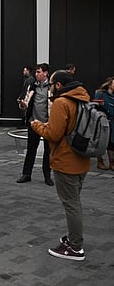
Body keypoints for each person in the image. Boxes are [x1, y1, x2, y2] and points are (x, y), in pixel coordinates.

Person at [31, 70, 90, 261]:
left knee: (71, 204)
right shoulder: (83, 99)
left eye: (51, 84)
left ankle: (75, 247)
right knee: (75, 201)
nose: (49, 88)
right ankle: (74, 237)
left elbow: (54, 134)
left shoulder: (61, 102)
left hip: (66, 161)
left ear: (58, 85)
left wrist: (37, 125)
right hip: (82, 159)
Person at [16, 63, 53, 186]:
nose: (36, 74)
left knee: (48, 151)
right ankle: (26, 174)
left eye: (39, 72)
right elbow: (26, 102)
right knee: (31, 149)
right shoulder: (32, 86)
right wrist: (22, 104)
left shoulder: (52, 87)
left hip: (48, 124)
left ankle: (47, 175)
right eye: (36, 72)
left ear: (46, 73)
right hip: (33, 122)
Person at [94, 77, 114, 169]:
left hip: (112, 121)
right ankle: (100, 162)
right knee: (101, 141)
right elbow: (95, 105)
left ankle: (112, 162)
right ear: (110, 84)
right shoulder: (101, 93)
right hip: (102, 120)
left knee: (111, 142)